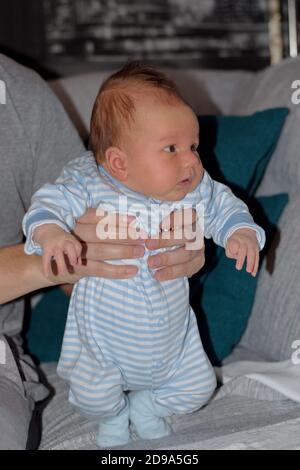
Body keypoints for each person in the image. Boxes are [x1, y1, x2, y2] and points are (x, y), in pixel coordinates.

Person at [23, 62, 265, 448]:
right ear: (119, 162)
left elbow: (225, 207)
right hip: (103, 344)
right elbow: (48, 203)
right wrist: (51, 232)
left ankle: (149, 406)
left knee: (199, 388)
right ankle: (116, 413)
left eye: (193, 146)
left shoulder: (194, 189)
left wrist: (241, 232)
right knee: (91, 395)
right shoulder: (89, 182)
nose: (191, 160)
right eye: (171, 148)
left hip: (175, 341)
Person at [0, 55, 204, 450]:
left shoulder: (22, 96)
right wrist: (51, 258)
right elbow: (55, 246)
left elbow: (75, 280)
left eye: (192, 146)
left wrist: (191, 246)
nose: (191, 158)